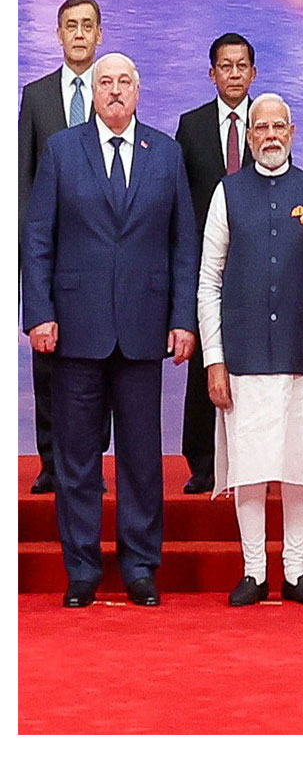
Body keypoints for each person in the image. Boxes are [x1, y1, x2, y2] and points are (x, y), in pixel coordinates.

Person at [23, 52, 198, 608]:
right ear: (92, 92)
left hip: (145, 330)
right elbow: (38, 239)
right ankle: (82, 569)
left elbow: (183, 245)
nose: (116, 91)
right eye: (106, 82)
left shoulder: (166, 154)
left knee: (143, 457)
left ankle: (141, 566)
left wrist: (182, 319)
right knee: (76, 458)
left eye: (125, 82)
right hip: (74, 328)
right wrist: (38, 312)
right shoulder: (60, 151)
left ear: (138, 91)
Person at [197, 93, 303, 607]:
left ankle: (296, 568)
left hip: (302, 356)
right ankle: (254, 570)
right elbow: (208, 281)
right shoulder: (228, 193)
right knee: (251, 467)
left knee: (298, 463)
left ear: (292, 131)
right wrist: (213, 358)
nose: (269, 135)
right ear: (250, 134)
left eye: (278, 126)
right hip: (242, 357)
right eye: (260, 127)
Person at [18, 0, 104, 495]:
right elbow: (23, 180)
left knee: (100, 359)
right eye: (70, 25)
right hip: (50, 254)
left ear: (99, 33)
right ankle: (51, 461)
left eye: (86, 25)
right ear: (58, 33)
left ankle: (90, 459)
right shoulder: (36, 96)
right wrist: (28, 260)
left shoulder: (116, 88)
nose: (78, 33)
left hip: (104, 254)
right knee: (47, 361)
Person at [175, 32, 257, 495]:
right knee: (205, 362)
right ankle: (203, 463)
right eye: (225, 66)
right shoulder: (191, 126)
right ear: (212, 74)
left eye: (241, 66)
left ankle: (250, 459)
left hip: (256, 263)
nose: (233, 74)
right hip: (206, 264)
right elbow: (179, 198)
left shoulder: (267, 122)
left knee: (252, 365)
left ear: (253, 72)